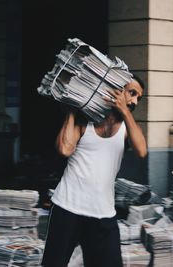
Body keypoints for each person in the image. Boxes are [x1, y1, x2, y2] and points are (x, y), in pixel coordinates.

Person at [42, 76, 147, 267]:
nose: (134, 101)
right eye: (132, 93)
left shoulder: (126, 127)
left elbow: (141, 150)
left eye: (138, 98)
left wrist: (124, 111)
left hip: (103, 213)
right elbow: (65, 149)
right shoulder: (84, 121)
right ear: (117, 88)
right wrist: (73, 108)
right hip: (67, 207)